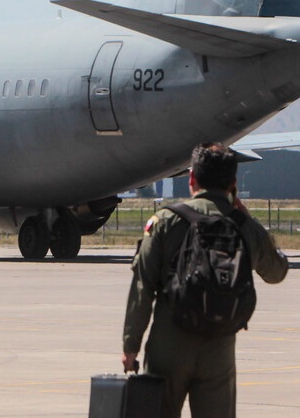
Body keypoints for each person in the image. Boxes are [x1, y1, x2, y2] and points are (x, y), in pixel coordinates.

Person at [121, 143, 289, 418]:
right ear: (233, 184)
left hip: (168, 346)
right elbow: (277, 272)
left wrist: (131, 346)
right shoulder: (243, 226)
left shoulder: (166, 221)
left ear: (191, 178)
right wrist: (249, 221)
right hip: (218, 350)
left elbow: (143, 287)